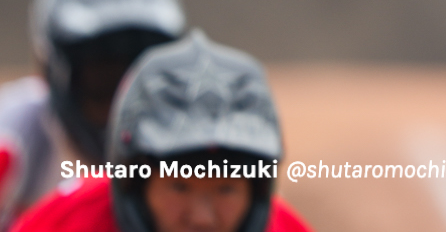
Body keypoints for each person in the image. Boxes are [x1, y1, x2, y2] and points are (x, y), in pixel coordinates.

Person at [12, 32, 309, 232]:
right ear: (134, 184)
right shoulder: (65, 223)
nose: (201, 218)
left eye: (226, 189)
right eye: (179, 186)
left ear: (258, 191)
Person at [0, 0, 187, 229]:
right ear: (47, 71)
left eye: (148, 84)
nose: (127, 111)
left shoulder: (208, 145)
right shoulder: (12, 143)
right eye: (104, 82)